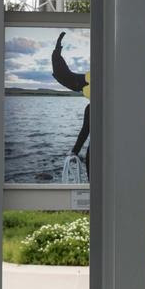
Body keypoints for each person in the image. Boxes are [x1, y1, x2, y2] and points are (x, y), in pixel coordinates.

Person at [51, 31, 92, 182]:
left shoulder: (92, 108)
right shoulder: (92, 108)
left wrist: (74, 151)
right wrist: (57, 51)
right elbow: (65, 76)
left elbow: (65, 77)